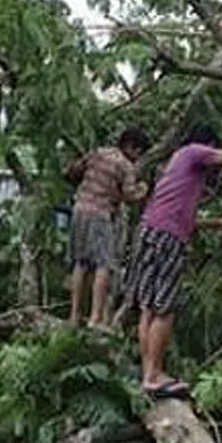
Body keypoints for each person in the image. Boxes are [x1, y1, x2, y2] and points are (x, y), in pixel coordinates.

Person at [126, 111, 222, 398]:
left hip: (150, 230)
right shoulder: (195, 151)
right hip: (167, 237)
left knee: (148, 307)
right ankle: (154, 376)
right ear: (207, 143)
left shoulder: (176, 162)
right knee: (164, 308)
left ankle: (148, 372)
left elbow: (183, 216)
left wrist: (218, 223)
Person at [64, 127, 151, 327]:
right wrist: (142, 190)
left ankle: (74, 315)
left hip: (79, 210)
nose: (138, 158)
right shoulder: (125, 165)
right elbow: (129, 195)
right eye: (138, 152)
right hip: (100, 214)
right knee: (104, 265)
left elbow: (72, 171)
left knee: (80, 263)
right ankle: (95, 318)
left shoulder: (98, 152)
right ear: (130, 147)